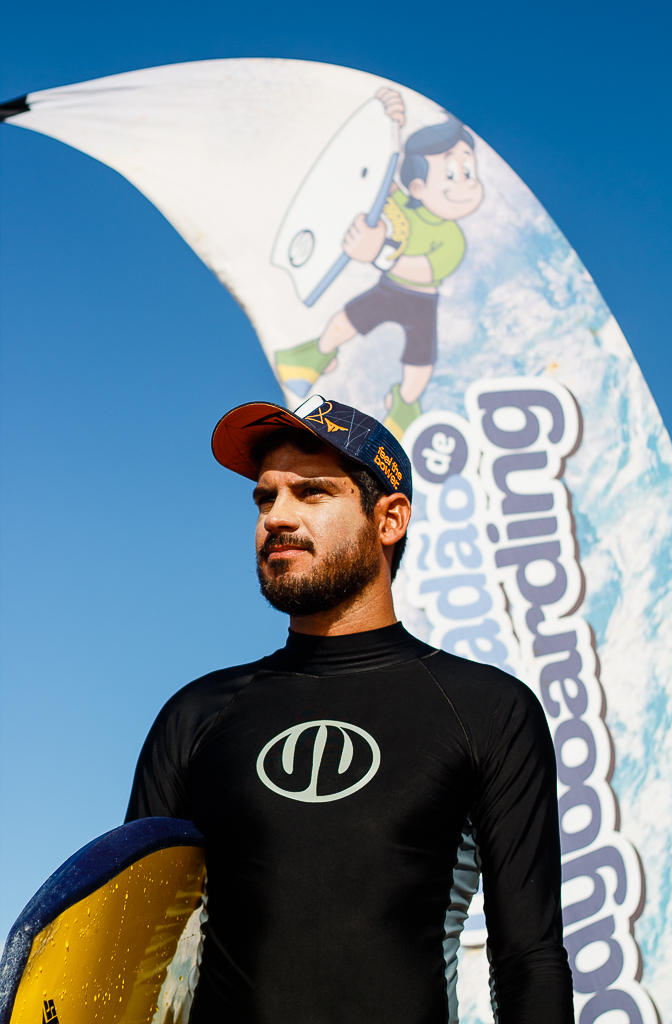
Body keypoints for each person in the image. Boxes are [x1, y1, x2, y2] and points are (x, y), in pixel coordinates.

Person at [125, 393, 574, 1024]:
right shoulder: (194, 717)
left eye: (311, 493)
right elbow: (128, 957)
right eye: (264, 498)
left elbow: (529, 960)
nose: (276, 517)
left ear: (389, 520)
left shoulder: (488, 710)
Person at [275, 89, 484, 440]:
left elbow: (426, 270)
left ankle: (405, 406)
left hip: (422, 300)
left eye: (468, 171)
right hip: (388, 290)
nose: (467, 183)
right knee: (348, 320)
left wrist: (379, 254)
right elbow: (374, 177)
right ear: (416, 186)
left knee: (420, 359)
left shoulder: (452, 237)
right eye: (453, 173)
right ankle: (310, 359)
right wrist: (390, 123)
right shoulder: (400, 201)